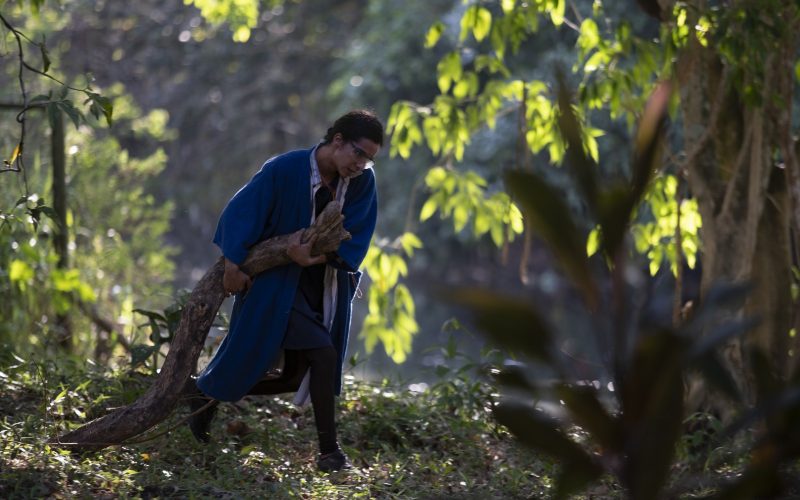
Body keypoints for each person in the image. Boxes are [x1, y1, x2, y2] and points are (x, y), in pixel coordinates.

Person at [186, 110, 382, 473]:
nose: (362, 164)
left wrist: (312, 256)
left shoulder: (362, 183)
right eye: (358, 153)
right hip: (275, 285)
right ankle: (330, 454)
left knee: (294, 375)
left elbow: (356, 236)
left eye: (369, 158)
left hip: (322, 286)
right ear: (337, 140)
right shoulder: (285, 169)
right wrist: (232, 264)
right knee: (322, 356)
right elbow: (240, 211)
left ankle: (203, 394)